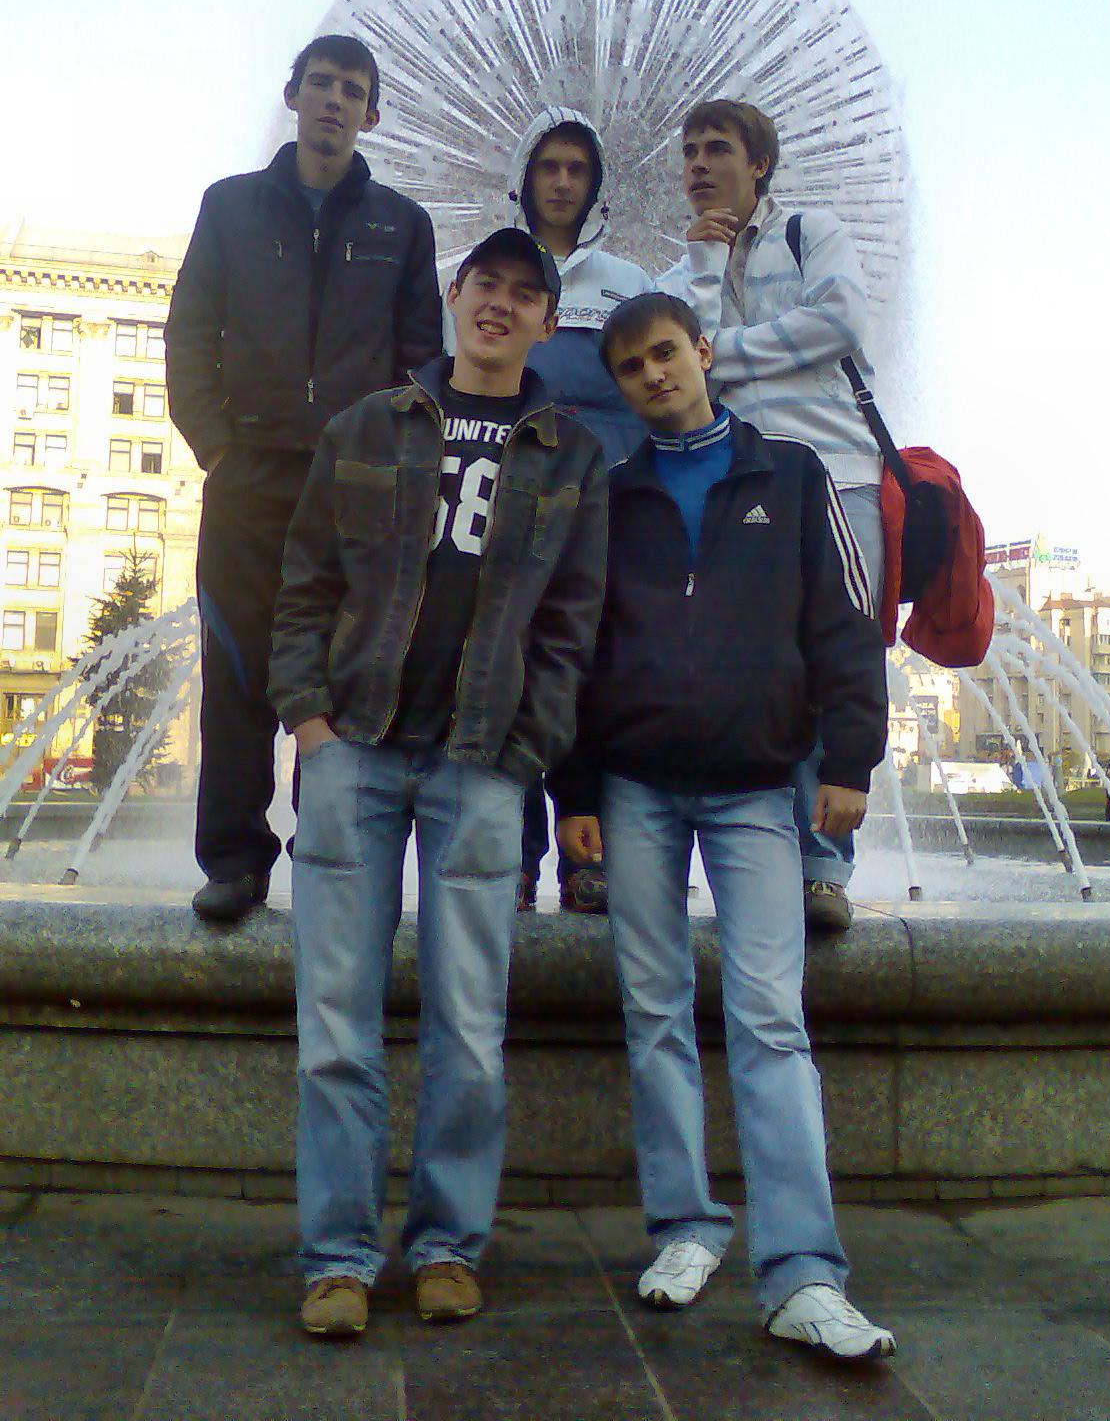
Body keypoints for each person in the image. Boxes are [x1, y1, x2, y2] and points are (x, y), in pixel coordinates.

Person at [268, 228, 607, 1338]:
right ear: (456, 297)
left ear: (548, 321)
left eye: (524, 293)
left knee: (469, 1025)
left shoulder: (572, 455)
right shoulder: (368, 425)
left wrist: (525, 751)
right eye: (484, 284)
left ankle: (449, 1245)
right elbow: (305, 583)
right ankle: (338, 1258)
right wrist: (311, 724)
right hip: (355, 750)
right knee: (336, 1023)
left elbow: (572, 627)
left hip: (480, 764)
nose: (499, 304)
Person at [552, 291, 894, 1360]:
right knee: (653, 1013)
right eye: (632, 367)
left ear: (703, 351)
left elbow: (845, 624)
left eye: (666, 353)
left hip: (754, 789)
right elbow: (575, 645)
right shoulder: (613, 495)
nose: (654, 375)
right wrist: (574, 791)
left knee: (770, 1019)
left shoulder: (790, 475)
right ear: (619, 384)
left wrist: (849, 761)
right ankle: (686, 1227)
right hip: (637, 788)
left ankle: (802, 1273)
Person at [166, 35, 442, 925]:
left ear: (373, 113)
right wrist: (216, 446)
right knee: (237, 667)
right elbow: (189, 330)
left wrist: (389, 467)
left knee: (345, 671)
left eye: (352, 90)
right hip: (247, 477)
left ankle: (328, 854)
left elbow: (419, 360)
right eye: (320, 83)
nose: (334, 100)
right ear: (292, 96)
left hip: (353, 487)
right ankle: (235, 860)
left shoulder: (402, 225)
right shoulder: (231, 206)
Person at [657, 100, 881, 933]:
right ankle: (769, 857)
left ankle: (825, 866)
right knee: (764, 669)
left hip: (839, 472)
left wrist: (725, 356)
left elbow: (842, 320)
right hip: (745, 485)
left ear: (759, 164)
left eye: (717, 149)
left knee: (837, 656)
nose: (699, 164)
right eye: (689, 152)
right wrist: (705, 266)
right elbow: (683, 368)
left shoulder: (810, 233)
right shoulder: (679, 274)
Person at [493, 108, 654, 913]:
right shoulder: (496, 270)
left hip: (609, 499)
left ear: (595, 186)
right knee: (512, 668)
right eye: (549, 166)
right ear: (525, 177)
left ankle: (590, 855)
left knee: (595, 674)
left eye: (577, 170)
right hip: (515, 497)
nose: (562, 182)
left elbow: (655, 380)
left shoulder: (627, 280)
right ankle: (514, 855)